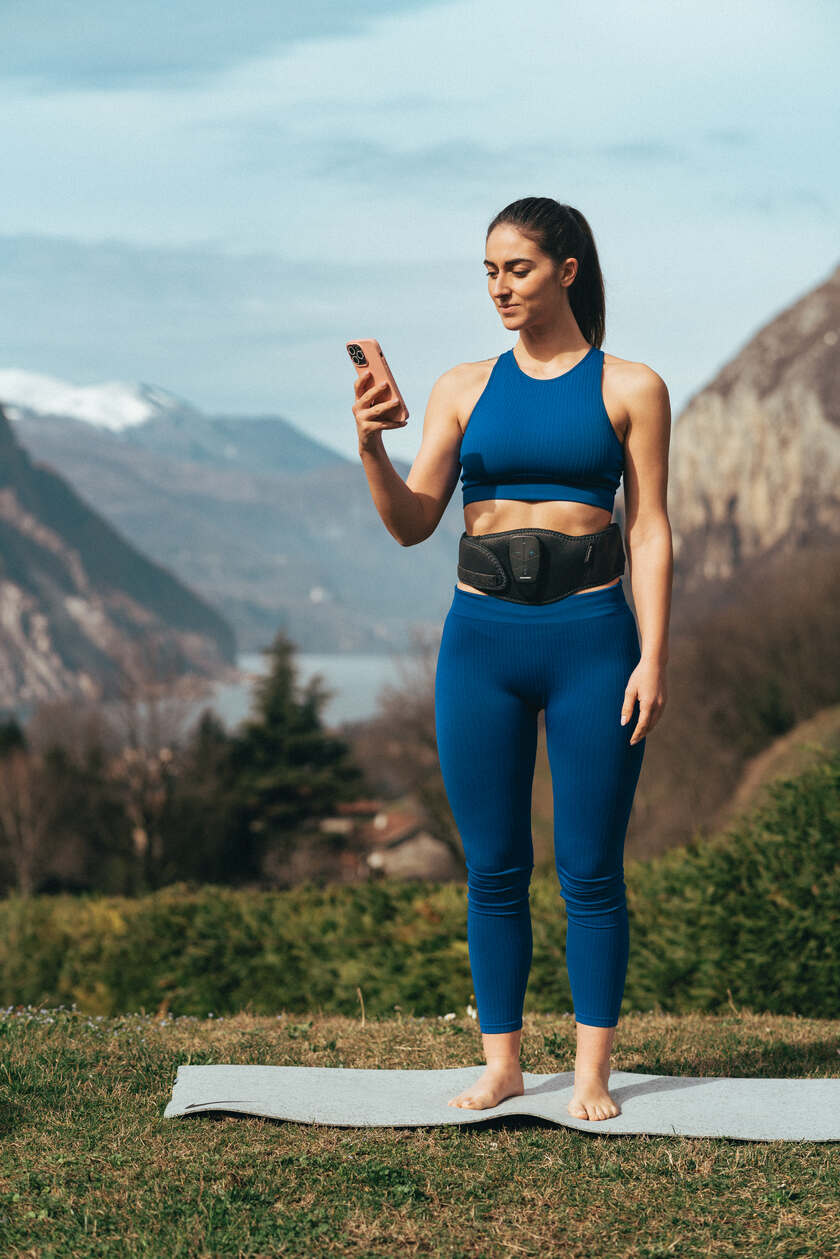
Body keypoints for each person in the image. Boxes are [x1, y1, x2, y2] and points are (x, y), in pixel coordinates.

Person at [353, 197, 672, 1122]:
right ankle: (501, 1066)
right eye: (489, 270)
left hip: (593, 641)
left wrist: (653, 654)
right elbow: (414, 522)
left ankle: (590, 1075)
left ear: (566, 269)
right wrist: (372, 443)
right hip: (481, 645)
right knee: (493, 865)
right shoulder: (460, 387)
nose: (500, 286)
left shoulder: (632, 386)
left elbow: (648, 530)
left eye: (518, 268)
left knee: (590, 868)